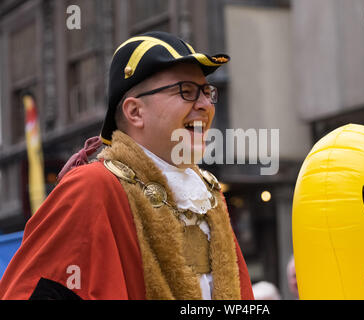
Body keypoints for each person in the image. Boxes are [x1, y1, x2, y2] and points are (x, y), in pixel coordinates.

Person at [0, 31, 254, 300]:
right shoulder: (91, 187)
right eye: (187, 92)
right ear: (134, 112)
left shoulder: (207, 195)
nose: (204, 105)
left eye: (206, 92)